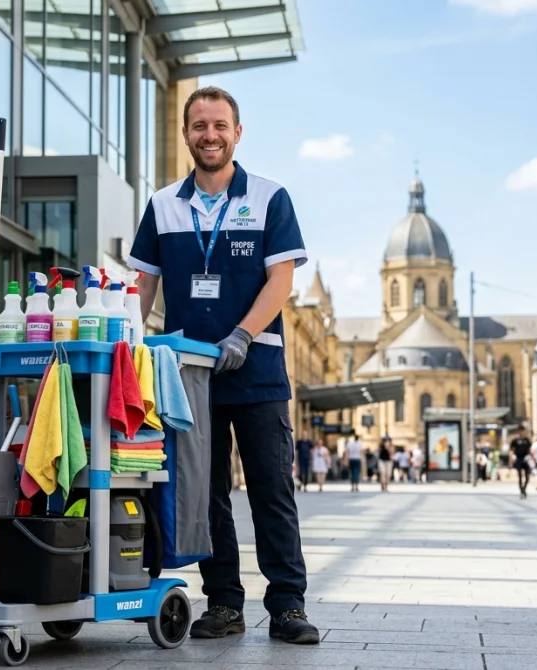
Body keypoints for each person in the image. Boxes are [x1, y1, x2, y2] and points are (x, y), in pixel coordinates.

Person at [126, 86, 319, 645]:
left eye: (219, 125)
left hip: (256, 370)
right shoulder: (164, 204)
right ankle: (225, 604)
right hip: (187, 376)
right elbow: (143, 283)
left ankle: (287, 606)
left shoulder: (268, 197)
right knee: (205, 493)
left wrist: (243, 332)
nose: (209, 135)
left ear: (237, 132)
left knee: (270, 492)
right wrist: (129, 342)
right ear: (186, 134)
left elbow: (281, 279)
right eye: (199, 126)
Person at [510, 425, 533, 499]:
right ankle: (521, 490)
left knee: (527, 476)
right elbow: (511, 450)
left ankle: (524, 489)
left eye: (522, 431)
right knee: (520, 476)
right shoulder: (515, 440)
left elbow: (530, 449)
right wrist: (511, 460)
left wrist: (531, 458)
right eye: (520, 431)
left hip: (526, 459)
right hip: (518, 459)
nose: (521, 432)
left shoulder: (527, 440)